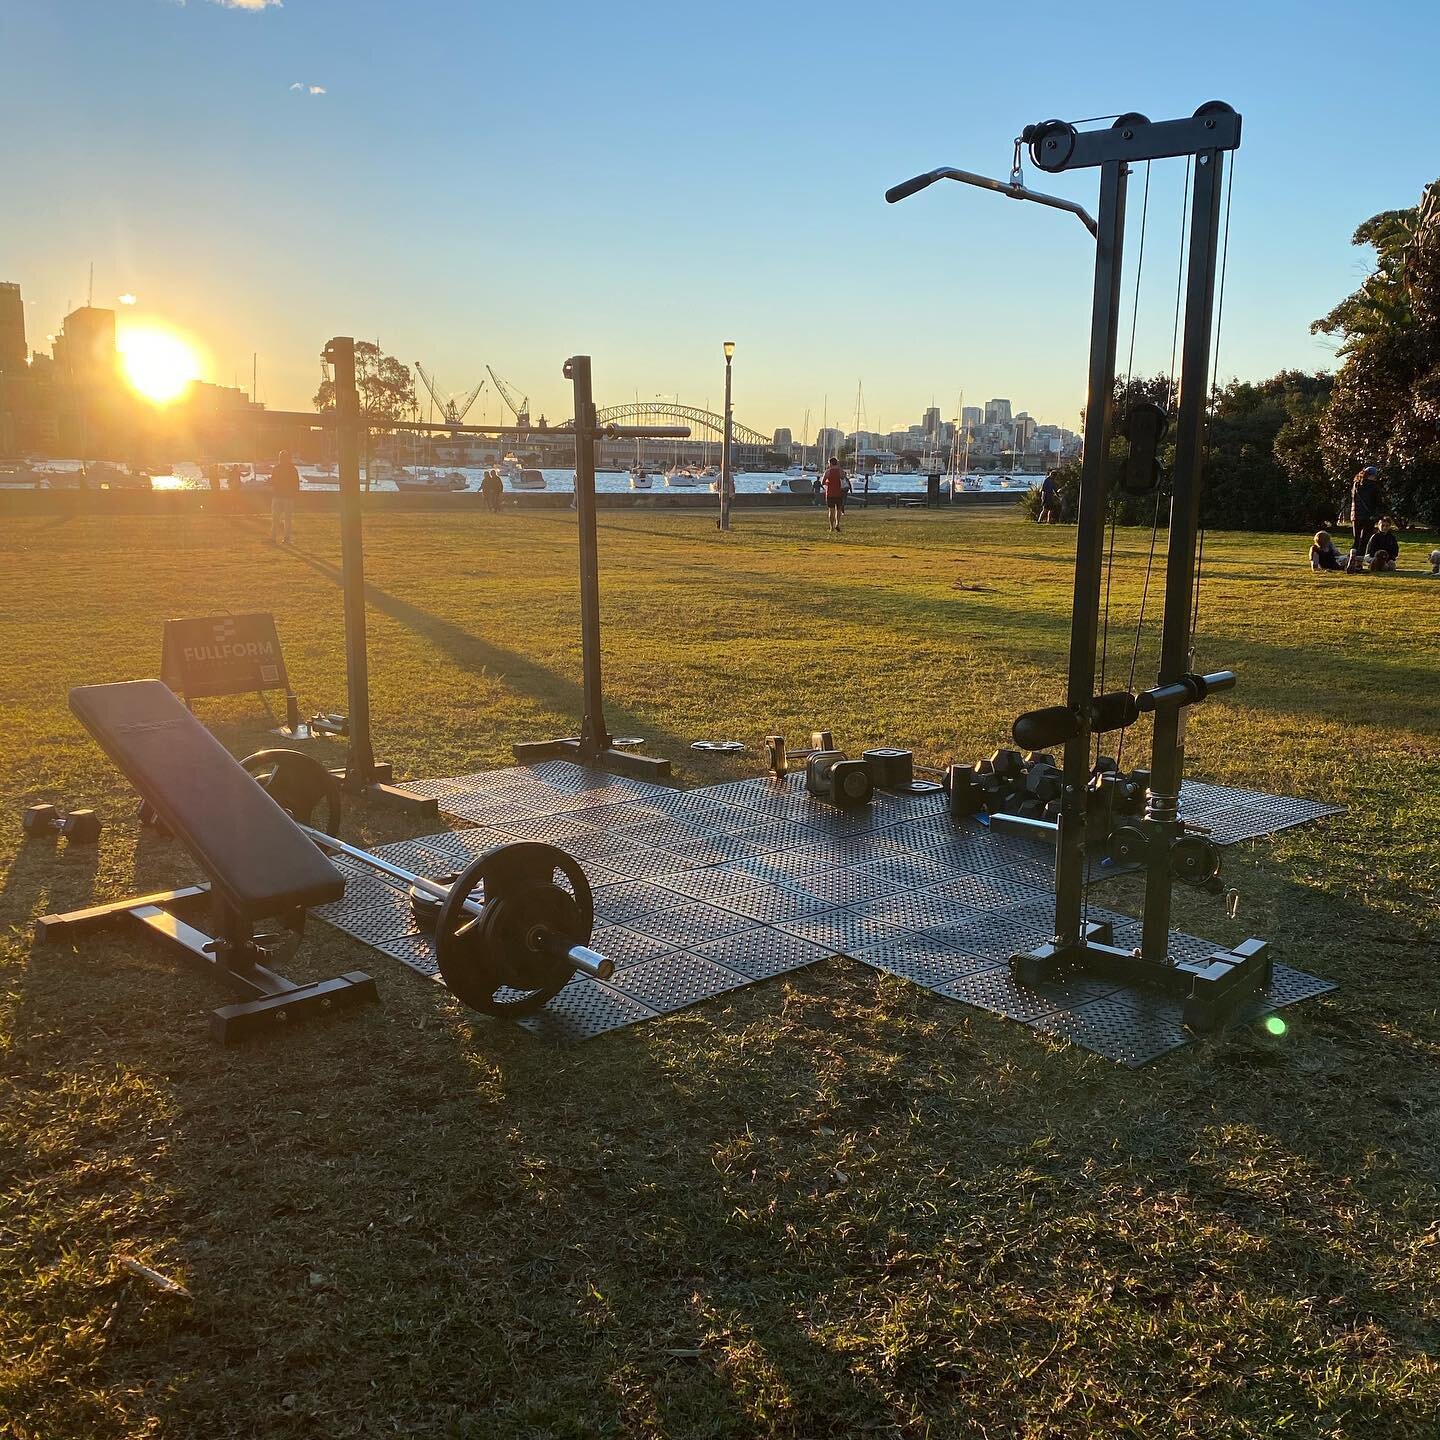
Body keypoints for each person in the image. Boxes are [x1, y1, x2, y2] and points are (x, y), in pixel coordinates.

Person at [1349, 464, 1384, 570]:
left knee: (1356, 540)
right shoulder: (1374, 486)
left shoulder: (1356, 485)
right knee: (1363, 541)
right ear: (1372, 475)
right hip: (1369, 517)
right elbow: (1378, 503)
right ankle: (1358, 565)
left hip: (1355, 516)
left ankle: (1352, 557)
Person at [269, 449, 300, 544]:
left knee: (276, 518)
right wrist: (295, 495)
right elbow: (296, 483)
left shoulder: (276, 468)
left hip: (278, 495)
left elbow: (273, 481)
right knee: (286, 519)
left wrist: (271, 483)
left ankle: (274, 537)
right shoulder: (292, 469)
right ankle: (286, 538)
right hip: (287, 496)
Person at [821, 455, 847, 533]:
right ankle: (837, 524)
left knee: (831, 510)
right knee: (838, 510)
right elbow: (843, 477)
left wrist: (828, 483)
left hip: (830, 493)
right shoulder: (840, 471)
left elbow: (822, 482)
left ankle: (831, 527)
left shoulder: (828, 472)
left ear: (830, 463)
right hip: (839, 492)